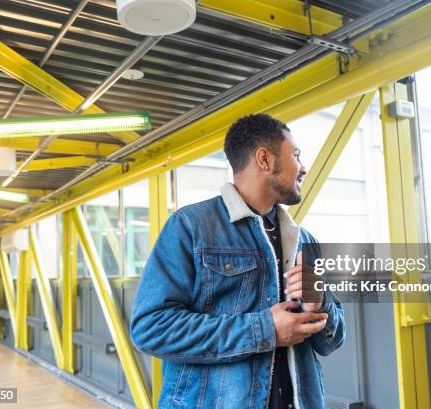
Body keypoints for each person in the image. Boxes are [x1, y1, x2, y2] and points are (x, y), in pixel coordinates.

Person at [130, 114, 345, 409]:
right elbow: (151, 329)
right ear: (264, 159)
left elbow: (331, 343)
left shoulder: (305, 240)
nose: (303, 168)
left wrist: (321, 304)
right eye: (295, 155)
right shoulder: (190, 227)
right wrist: (264, 329)